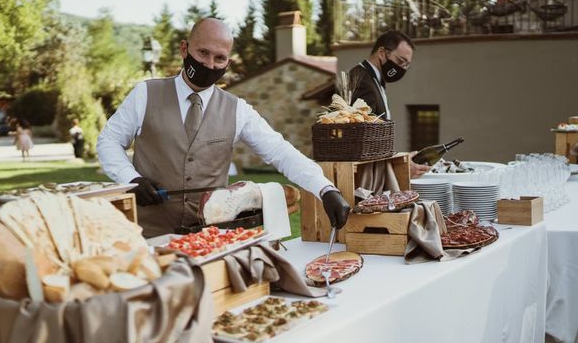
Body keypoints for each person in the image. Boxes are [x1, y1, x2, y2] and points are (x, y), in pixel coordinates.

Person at [97, 18, 350, 238]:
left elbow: (280, 152)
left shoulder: (237, 109)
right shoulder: (145, 94)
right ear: (184, 49)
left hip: (213, 237)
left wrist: (324, 188)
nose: (210, 64)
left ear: (228, 62)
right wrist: (130, 180)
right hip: (147, 234)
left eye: (220, 58)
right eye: (203, 53)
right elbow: (108, 141)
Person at [348, 30, 430, 178]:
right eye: (400, 61)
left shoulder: (373, 79)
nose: (402, 69)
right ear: (382, 52)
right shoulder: (362, 81)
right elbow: (364, 142)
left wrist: (402, 159)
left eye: (406, 65)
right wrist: (400, 166)